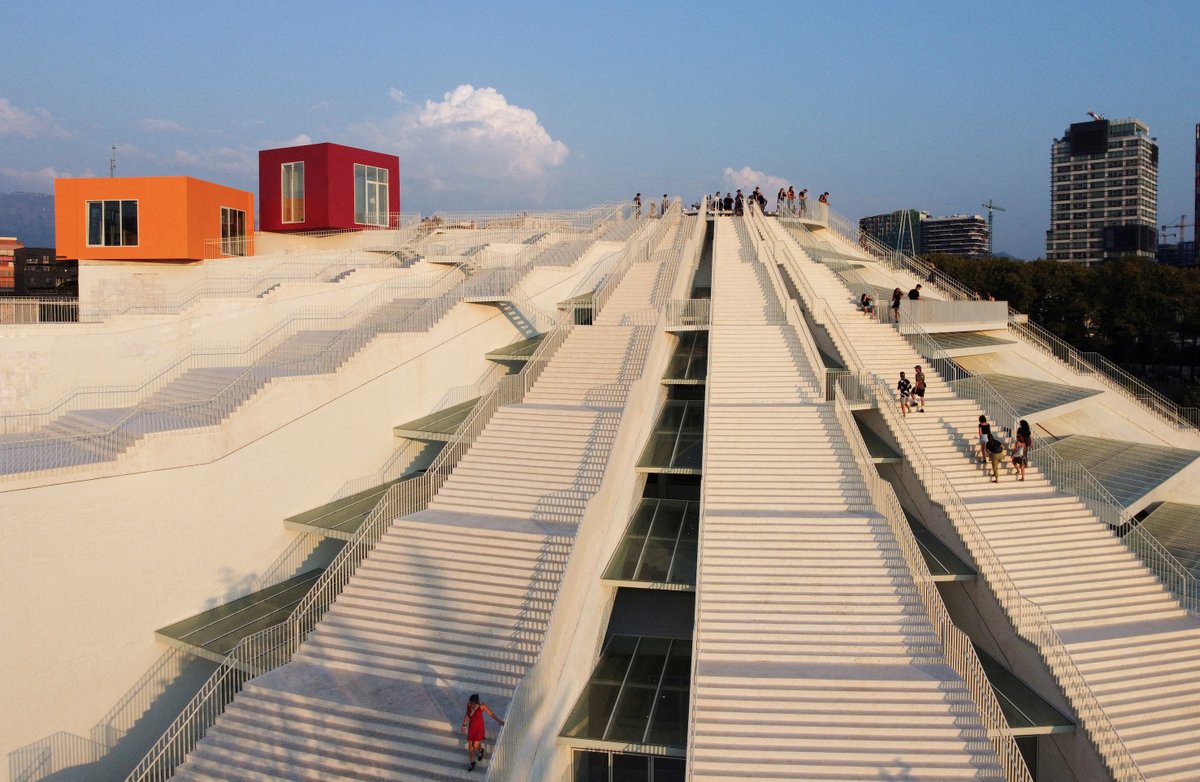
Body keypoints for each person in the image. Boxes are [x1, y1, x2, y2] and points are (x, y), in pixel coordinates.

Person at [462, 693, 504, 771]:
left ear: (477, 703)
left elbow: (491, 714)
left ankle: (481, 750)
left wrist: (498, 720)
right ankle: (472, 762)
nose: (472, 705)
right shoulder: (469, 705)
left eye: (473, 704)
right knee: (470, 747)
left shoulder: (482, 706)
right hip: (471, 727)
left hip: (479, 728)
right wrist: (464, 725)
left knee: (475, 746)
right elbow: (467, 715)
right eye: (471, 703)